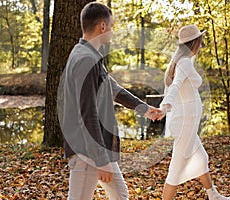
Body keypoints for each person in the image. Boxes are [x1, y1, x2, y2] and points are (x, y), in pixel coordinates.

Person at [61, 2, 160, 199]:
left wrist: (144, 108)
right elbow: (87, 114)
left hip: (96, 148)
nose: (112, 31)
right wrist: (101, 160)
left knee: (121, 195)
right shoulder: (85, 59)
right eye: (111, 26)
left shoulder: (89, 54)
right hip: (86, 150)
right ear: (102, 26)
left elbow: (112, 87)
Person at [156, 25, 230, 200]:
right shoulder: (184, 62)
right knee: (176, 170)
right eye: (200, 42)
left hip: (188, 123)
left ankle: (213, 195)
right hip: (186, 123)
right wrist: (164, 106)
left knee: (201, 158)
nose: (201, 46)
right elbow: (175, 86)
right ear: (194, 43)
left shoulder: (181, 62)